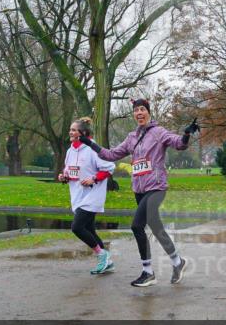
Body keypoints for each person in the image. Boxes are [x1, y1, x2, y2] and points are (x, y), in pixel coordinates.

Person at [78, 99, 198, 287]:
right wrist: (88, 143)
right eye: (136, 110)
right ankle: (178, 262)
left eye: (142, 109)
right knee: (156, 228)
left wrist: (186, 135)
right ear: (133, 114)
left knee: (136, 226)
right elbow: (111, 154)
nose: (139, 113)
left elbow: (178, 144)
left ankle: (148, 271)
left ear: (148, 113)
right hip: (139, 190)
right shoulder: (131, 137)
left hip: (156, 188)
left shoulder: (158, 133)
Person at [59, 117, 116, 275]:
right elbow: (69, 171)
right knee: (89, 228)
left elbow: (110, 167)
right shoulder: (70, 151)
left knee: (77, 227)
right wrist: (64, 177)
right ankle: (107, 262)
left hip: (93, 196)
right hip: (77, 196)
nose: (70, 132)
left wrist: (94, 178)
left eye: (74, 130)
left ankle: (101, 255)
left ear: (83, 133)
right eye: (70, 129)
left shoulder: (92, 149)